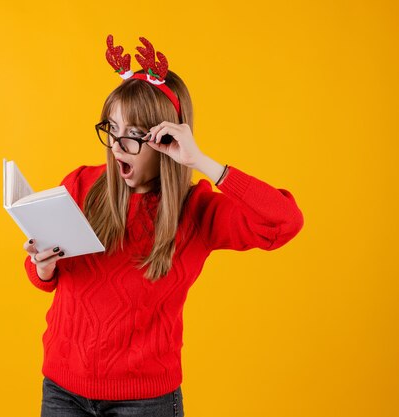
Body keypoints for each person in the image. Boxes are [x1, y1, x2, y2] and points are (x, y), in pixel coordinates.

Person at [22, 35, 304, 417]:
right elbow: (46, 277)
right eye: (113, 128)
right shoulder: (81, 186)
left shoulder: (198, 212)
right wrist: (42, 266)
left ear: (167, 141)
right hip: (62, 391)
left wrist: (204, 162)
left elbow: (283, 222)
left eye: (136, 135)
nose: (117, 146)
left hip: (145, 401)